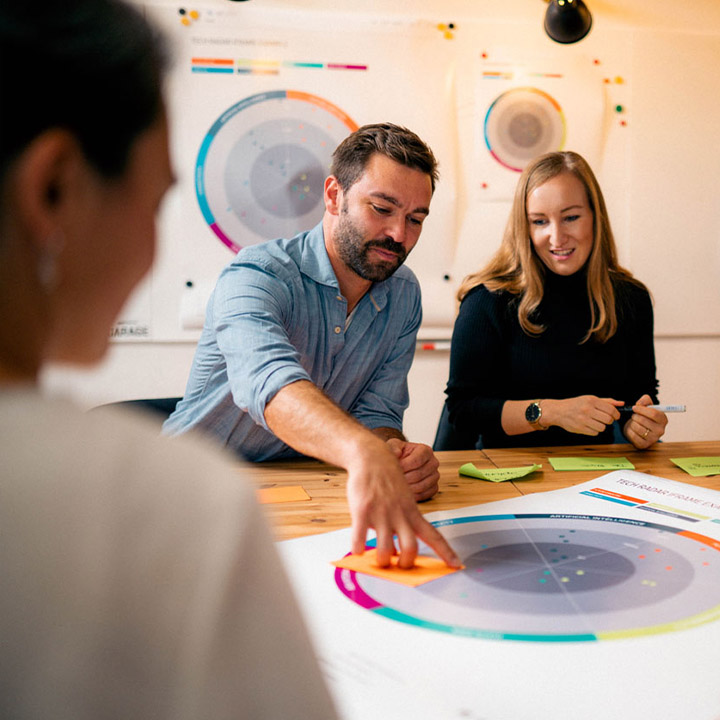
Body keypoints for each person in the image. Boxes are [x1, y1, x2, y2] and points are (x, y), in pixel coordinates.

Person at [0, 2, 338, 718]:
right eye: (155, 202)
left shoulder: (400, 296)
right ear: (54, 187)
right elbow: (268, 382)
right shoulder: (171, 510)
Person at [164, 124, 460, 570]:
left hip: (303, 492)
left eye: (416, 219)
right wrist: (364, 452)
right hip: (187, 490)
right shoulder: (255, 276)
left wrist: (394, 453)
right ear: (333, 196)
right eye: (382, 208)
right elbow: (268, 384)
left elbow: (377, 414)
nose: (399, 235)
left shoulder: (404, 293)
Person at [437, 150, 668, 451]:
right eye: (540, 221)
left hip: (597, 474)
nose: (557, 237)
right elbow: (464, 411)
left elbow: (640, 396)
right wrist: (552, 413)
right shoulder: (487, 300)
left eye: (571, 217)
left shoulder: (631, 299)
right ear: (524, 226)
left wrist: (641, 425)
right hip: (507, 474)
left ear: (595, 217)